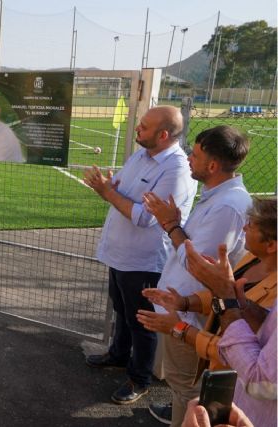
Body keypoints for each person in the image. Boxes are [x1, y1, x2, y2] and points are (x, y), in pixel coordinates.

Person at [82, 106, 197, 405]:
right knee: (121, 309)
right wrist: (104, 186)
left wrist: (109, 193)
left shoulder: (176, 169)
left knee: (142, 321)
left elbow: (146, 217)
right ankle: (118, 354)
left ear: (163, 135)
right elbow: (118, 185)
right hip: (120, 254)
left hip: (144, 261)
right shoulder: (141, 154)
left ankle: (139, 379)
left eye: (143, 127)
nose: (137, 130)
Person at [142, 125, 252, 427]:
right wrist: (176, 225)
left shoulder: (228, 207)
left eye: (196, 154)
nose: (189, 158)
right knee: (183, 384)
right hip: (183, 305)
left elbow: (196, 264)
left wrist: (171, 226)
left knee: (188, 386)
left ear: (213, 165)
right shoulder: (220, 198)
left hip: (190, 313)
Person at [183, 240, 276, 427]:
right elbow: (270, 328)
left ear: (271, 245)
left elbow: (262, 383)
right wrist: (241, 303)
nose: (243, 227)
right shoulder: (252, 258)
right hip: (239, 411)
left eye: (251, 224)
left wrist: (181, 330)